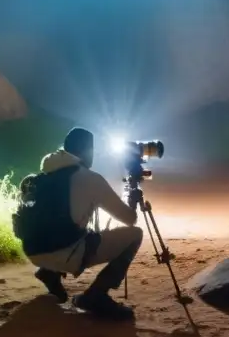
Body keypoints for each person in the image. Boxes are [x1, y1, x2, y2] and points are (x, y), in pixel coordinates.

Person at [19, 127, 143, 320]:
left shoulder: (45, 175)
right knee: (135, 234)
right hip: (65, 253)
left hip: (33, 251)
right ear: (87, 151)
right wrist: (131, 197)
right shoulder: (90, 178)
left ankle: (48, 273)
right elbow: (129, 219)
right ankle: (96, 296)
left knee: (63, 228)